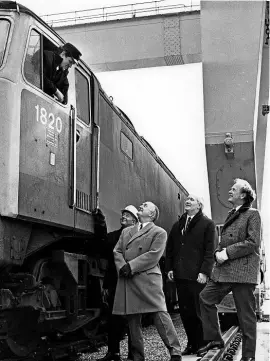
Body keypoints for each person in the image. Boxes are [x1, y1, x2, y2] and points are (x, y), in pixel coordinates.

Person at [197, 179, 261, 361]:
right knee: (205, 298)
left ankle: (248, 357)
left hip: (242, 273)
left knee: (246, 316)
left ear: (243, 195)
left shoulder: (253, 214)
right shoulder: (231, 214)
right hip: (224, 271)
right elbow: (224, 241)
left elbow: (252, 242)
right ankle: (215, 340)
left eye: (234, 189)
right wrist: (219, 251)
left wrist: (227, 253)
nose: (230, 191)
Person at [113, 201, 182, 361]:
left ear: (152, 214)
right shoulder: (126, 232)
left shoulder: (160, 232)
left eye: (145, 205)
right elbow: (116, 250)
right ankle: (137, 356)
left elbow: (154, 254)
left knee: (159, 313)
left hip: (147, 278)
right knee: (132, 318)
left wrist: (131, 266)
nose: (141, 205)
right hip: (128, 277)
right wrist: (122, 266)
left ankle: (175, 352)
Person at [165, 195, 217, 355]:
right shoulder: (178, 224)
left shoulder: (208, 224)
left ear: (199, 205)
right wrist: (170, 268)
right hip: (180, 275)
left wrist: (205, 272)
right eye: (187, 199)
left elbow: (210, 251)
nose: (187, 201)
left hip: (197, 275)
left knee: (198, 311)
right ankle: (192, 343)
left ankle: (203, 343)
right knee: (186, 312)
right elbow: (171, 248)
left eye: (192, 200)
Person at [97, 205, 139, 361]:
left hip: (132, 282)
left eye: (127, 215)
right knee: (114, 318)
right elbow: (105, 253)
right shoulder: (114, 236)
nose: (123, 217)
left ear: (134, 220)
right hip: (115, 282)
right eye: (123, 214)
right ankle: (113, 352)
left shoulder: (139, 236)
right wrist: (101, 224)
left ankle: (133, 354)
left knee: (132, 321)